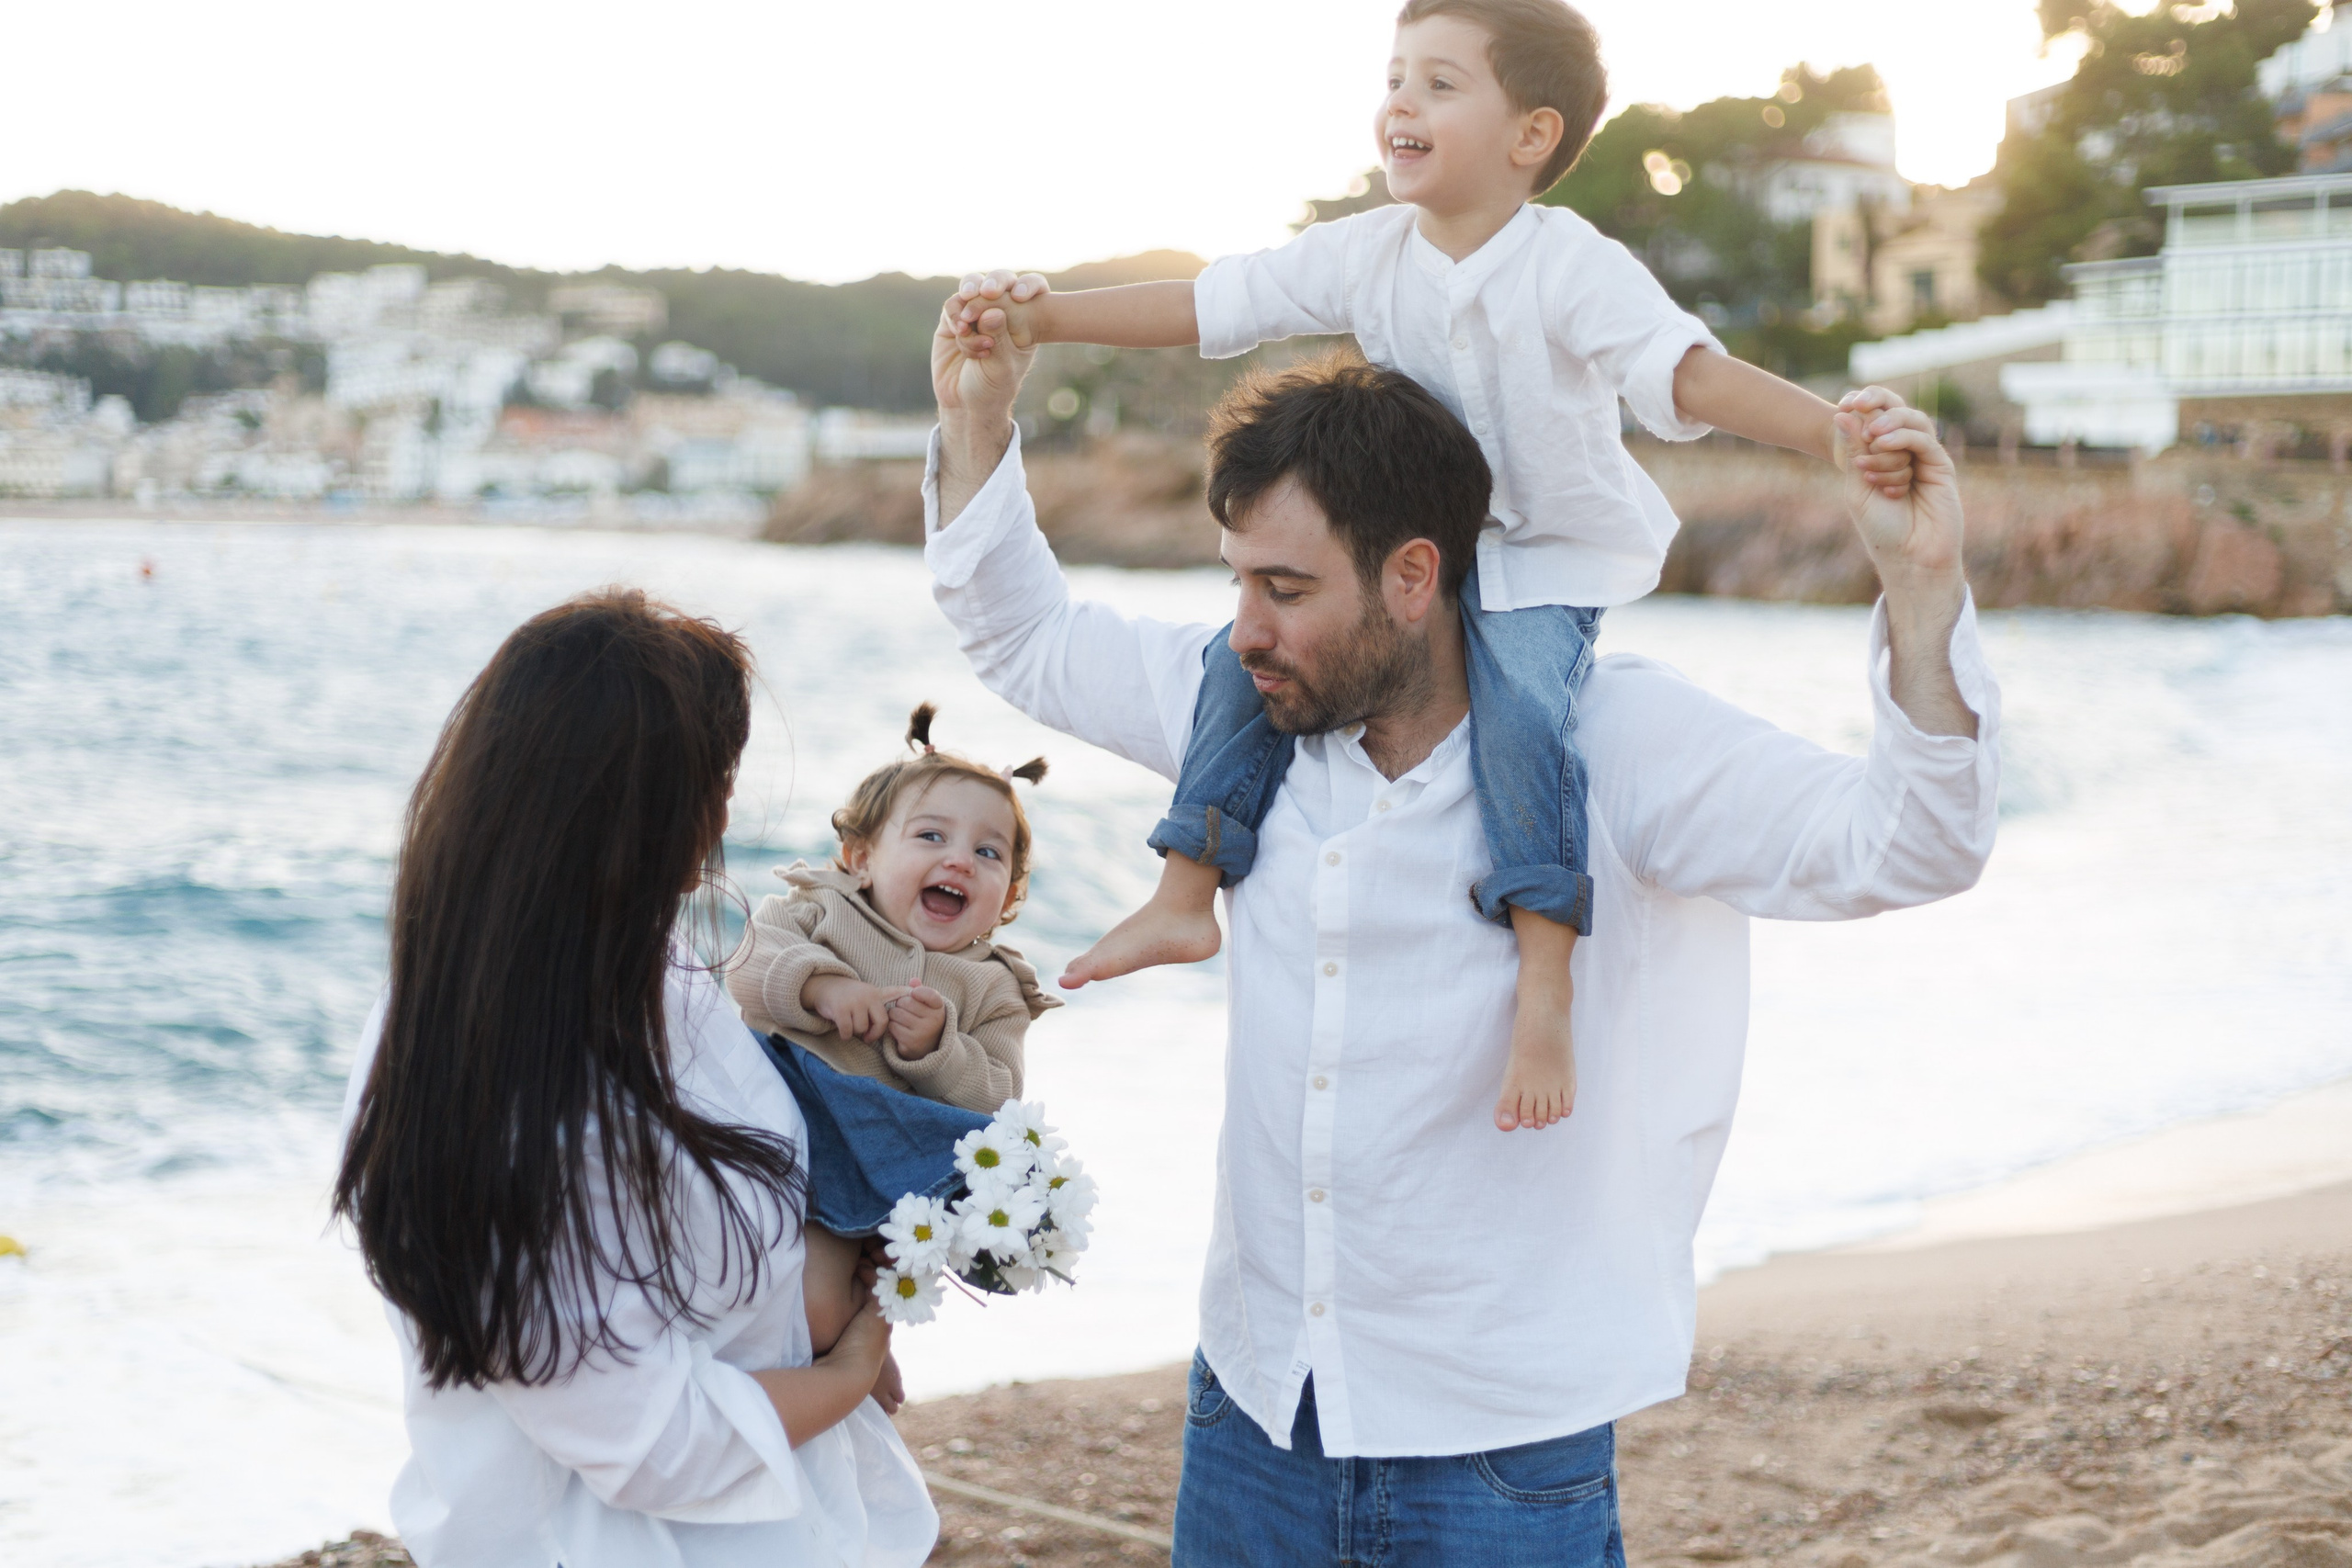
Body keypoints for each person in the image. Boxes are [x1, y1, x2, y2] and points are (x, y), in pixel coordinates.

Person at [925, 293, 1997, 1562]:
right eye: (1236, 584)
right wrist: (979, 416)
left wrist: (1922, 585)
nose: (1247, 628)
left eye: (1284, 586)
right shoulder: (1246, 704)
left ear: (1414, 575)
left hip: (1502, 1444)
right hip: (1256, 1407)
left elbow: (1910, 842)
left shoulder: (1623, 742)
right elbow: (1023, 633)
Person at [947, 0, 1920, 1134]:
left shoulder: (1571, 268)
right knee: (1237, 666)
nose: (1401, 101)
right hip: (1421, 549)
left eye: (1441, 83)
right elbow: (1213, 302)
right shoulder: (1368, 251)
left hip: (1544, 561)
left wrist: (1831, 435)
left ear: (1531, 136)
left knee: (1521, 727)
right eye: (1395, 75)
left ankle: (1544, 981)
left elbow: (1686, 375)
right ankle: (1184, 892)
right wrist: (1047, 318)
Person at [334, 589, 936, 1568]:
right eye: (716, 777)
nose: (727, 809)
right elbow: (651, 1439)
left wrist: (816, 1324)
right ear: (644, 808)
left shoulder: (654, 974)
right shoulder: (498, 1077)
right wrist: (848, 1364)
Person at [728, 701, 1059, 1347]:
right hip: (762, 1115)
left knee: (814, 1310)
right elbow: (744, 963)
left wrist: (940, 1048)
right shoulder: (818, 907)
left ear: (1011, 898)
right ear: (859, 857)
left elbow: (997, 1097)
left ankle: (861, 1332)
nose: (960, 859)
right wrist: (822, 985)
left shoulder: (995, 986)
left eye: (988, 852)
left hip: (862, 1160)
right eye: (931, 836)